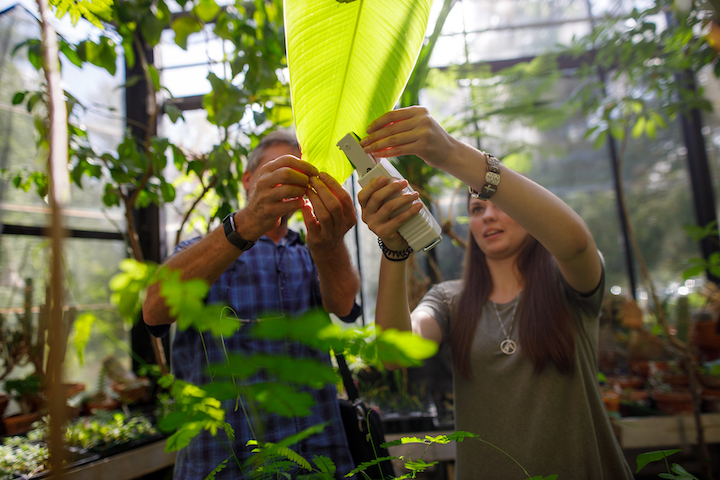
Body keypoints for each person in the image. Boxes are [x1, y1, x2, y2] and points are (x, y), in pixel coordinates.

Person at [356, 106, 634, 479]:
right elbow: (394, 352)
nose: (487, 215)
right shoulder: (450, 299)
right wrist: (394, 248)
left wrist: (452, 154)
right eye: (476, 209)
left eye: (497, 203)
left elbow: (576, 244)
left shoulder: (567, 284)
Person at [142, 130, 361, 479]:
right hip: (223, 463)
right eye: (280, 169)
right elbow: (154, 310)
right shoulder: (206, 251)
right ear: (248, 180)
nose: (293, 182)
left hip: (319, 459)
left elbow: (344, 302)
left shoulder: (310, 254)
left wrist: (329, 243)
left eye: (305, 176)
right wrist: (248, 222)